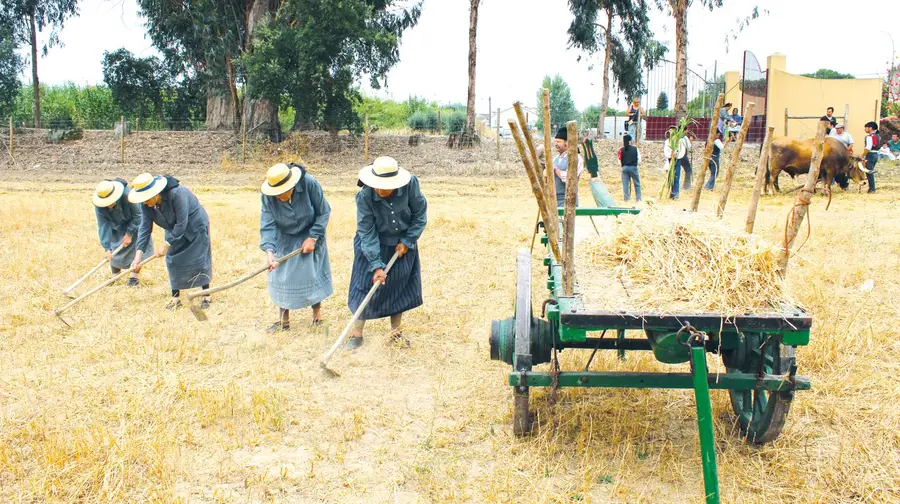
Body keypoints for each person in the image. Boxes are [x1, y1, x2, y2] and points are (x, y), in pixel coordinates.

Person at [346, 156, 427, 349]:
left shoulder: (410, 185)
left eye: (386, 186)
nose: (382, 190)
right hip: (372, 245)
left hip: (401, 246)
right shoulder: (365, 196)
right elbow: (366, 231)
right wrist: (375, 264)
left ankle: (395, 333)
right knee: (363, 286)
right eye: (378, 186)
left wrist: (408, 240)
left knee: (398, 287)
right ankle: (356, 334)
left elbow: (420, 214)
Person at [259, 162, 333, 332]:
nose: (277, 197)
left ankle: (317, 317)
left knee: (311, 273)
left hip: (310, 232)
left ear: (291, 185)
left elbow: (324, 211)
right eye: (275, 194)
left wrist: (313, 237)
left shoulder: (309, 183)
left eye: (281, 193)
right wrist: (270, 250)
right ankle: (284, 322)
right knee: (281, 275)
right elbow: (267, 224)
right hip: (284, 235)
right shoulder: (268, 196)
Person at [129, 173, 212, 310]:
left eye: (146, 199)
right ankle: (175, 299)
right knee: (172, 261)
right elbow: (144, 229)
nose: (144, 202)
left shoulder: (177, 194)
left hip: (194, 226)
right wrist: (137, 257)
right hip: (173, 229)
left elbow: (182, 223)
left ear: (156, 194)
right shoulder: (146, 205)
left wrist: (166, 245)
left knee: (199, 260)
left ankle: (206, 295)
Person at [92, 178, 152, 286]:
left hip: (135, 223)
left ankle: (133, 278)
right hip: (116, 225)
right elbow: (103, 224)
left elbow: (138, 215)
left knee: (138, 249)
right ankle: (115, 275)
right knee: (115, 247)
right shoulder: (99, 205)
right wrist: (106, 248)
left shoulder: (128, 195)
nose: (108, 205)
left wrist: (129, 234)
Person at [552, 127, 585, 208]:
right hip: (553, 200)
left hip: (567, 201)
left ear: (567, 143)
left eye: (558, 141)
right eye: (555, 141)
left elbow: (568, 178)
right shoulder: (555, 159)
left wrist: (554, 168)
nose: (556, 144)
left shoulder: (576, 159)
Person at [583, 133, 615, 207]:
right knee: (590, 157)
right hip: (594, 171)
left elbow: (587, 156)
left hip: (594, 173)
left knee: (589, 158)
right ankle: (588, 144)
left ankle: (588, 144)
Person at [664, 126, 687, 199]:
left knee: (676, 177)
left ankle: (675, 194)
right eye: (670, 131)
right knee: (669, 177)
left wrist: (677, 155)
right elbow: (665, 151)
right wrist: (670, 155)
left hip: (677, 160)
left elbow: (682, 151)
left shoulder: (680, 141)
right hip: (670, 160)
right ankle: (669, 192)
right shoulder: (667, 141)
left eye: (673, 131)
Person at [618, 134, 641, 202]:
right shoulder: (635, 149)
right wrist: (635, 164)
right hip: (633, 167)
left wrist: (623, 165)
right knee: (637, 184)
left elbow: (619, 160)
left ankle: (626, 199)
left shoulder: (620, 149)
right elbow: (639, 160)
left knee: (625, 184)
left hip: (624, 168)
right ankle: (638, 199)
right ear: (630, 141)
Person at [861, 121, 879, 193]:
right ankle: (871, 188)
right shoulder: (878, 135)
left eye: (866, 128)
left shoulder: (869, 137)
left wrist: (862, 155)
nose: (865, 129)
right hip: (876, 154)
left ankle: (872, 189)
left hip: (870, 155)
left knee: (869, 172)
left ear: (870, 128)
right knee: (870, 171)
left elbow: (868, 147)